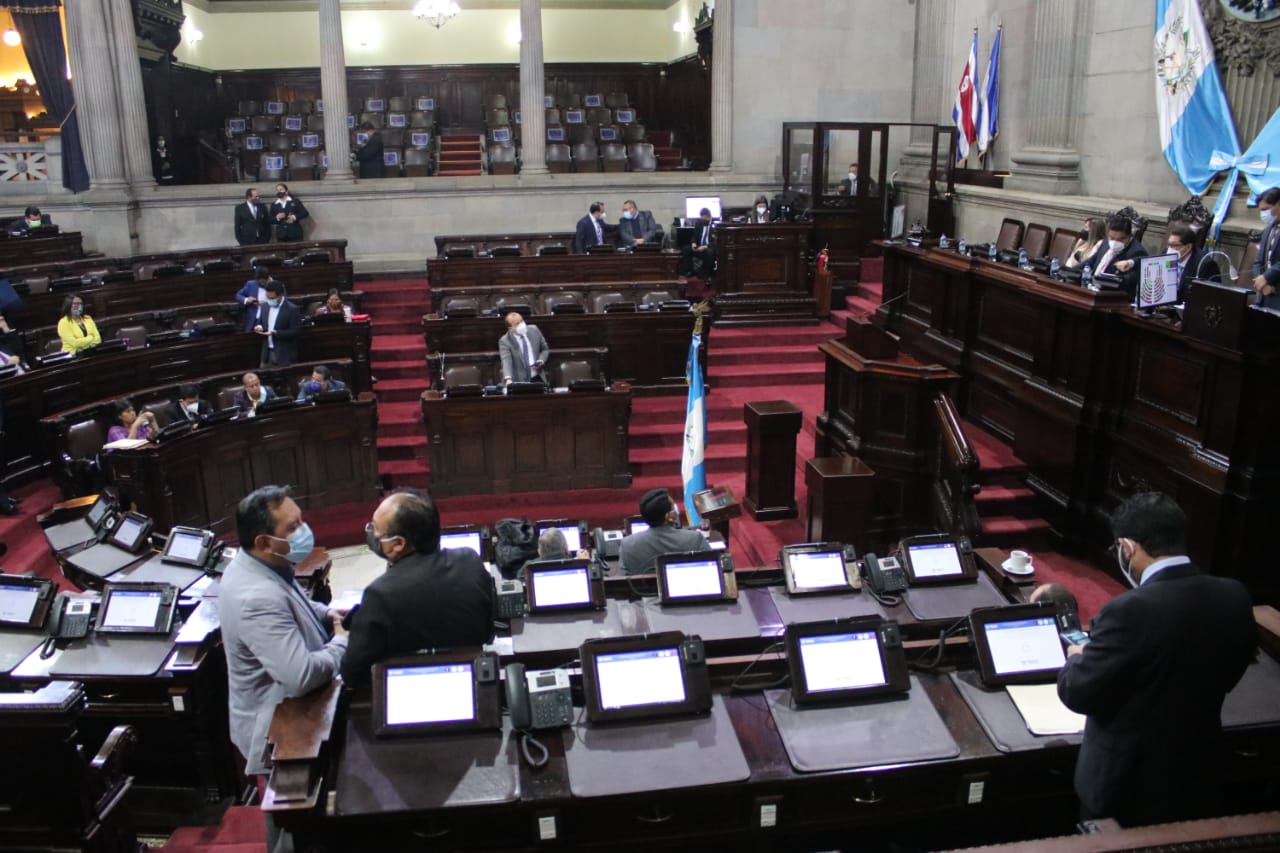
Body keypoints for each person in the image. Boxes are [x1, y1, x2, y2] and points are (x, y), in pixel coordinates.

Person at [1056, 492, 1255, 828]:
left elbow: (1078, 693)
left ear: (1127, 548)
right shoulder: (1234, 595)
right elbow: (1231, 672)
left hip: (1125, 792)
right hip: (1197, 775)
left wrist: (1077, 657)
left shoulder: (1129, 611)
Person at [218, 485, 347, 852]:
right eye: (293, 527)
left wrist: (327, 615)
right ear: (263, 540)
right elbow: (301, 674)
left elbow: (293, 607)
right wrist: (342, 640)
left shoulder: (260, 564)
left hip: (289, 715)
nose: (304, 531)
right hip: (280, 727)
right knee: (291, 824)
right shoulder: (255, 595)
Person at [339, 488, 495, 687]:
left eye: (375, 528)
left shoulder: (380, 595)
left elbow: (352, 673)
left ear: (397, 544)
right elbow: (488, 631)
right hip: (474, 682)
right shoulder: (469, 560)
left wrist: (342, 638)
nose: (371, 532)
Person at [618, 487, 711, 575]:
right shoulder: (695, 538)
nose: (676, 511)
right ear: (669, 516)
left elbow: (624, 577)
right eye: (674, 508)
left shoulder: (627, 544)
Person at [1084, 214, 1147, 296]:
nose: (1115, 242)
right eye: (1112, 238)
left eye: (1121, 239)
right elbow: (1091, 261)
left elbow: (1127, 282)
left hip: (1111, 297)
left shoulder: (1137, 252)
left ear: (1129, 236)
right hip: (1091, 290)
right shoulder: (1106, 242)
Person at [253, 280, 301, 367]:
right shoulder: (265, 306)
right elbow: (261, 322)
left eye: (272, 298)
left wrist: (275, 333)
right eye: (267, 297)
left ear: (280, 295)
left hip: (284, 354)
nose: (269, 300)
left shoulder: (292, 309)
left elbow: (295, 331)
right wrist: (259, 327)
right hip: (266, 353)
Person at [1165, 224, 1219, 299]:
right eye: (1169, 244)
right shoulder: (1165, 254)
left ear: (1189, 247)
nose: (1171, 249)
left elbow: (1207, 297)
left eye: (1176, 245)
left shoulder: (1205, 265)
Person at [498, 310, 549, 385]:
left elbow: (545, 349)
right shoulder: (505, 341)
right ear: (510, 328)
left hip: (538, 377)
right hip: (518, 381)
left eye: (521, 321)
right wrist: (508, 378)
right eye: (517, 324)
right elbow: (506, 360)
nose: (522, 324)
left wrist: (541, 360)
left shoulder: (534, 330)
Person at [1251, 186, 1280, 309]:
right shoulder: (1268, 229)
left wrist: (1266, 277)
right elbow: (1259, 261)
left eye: (1266, 209)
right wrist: (1261, 283)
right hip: (1265, 295)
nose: (1264, 214)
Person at [679, 207, 716, 278]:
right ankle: (690, 270)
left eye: (705, 218)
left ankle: (706, 273)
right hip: (699, 246)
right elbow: (694, 236)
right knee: (686, 249)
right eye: (702, 218)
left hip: (708, 248)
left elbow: (715, 241)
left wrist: (705, 246)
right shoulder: (699, 223)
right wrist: (693, 243)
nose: (703, 220)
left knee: (710, 252)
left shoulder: (715, 225)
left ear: (709, 217)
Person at [235, 266, 273, 332]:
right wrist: (246, 300)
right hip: (253, 320)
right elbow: (238, 295)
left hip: (269, 319)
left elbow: (283, 301)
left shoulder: (277, 285)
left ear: (268, 278)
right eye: (259, 282)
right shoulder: (251, 284)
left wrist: (267, 303)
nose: (261, 283)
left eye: (263, 282)